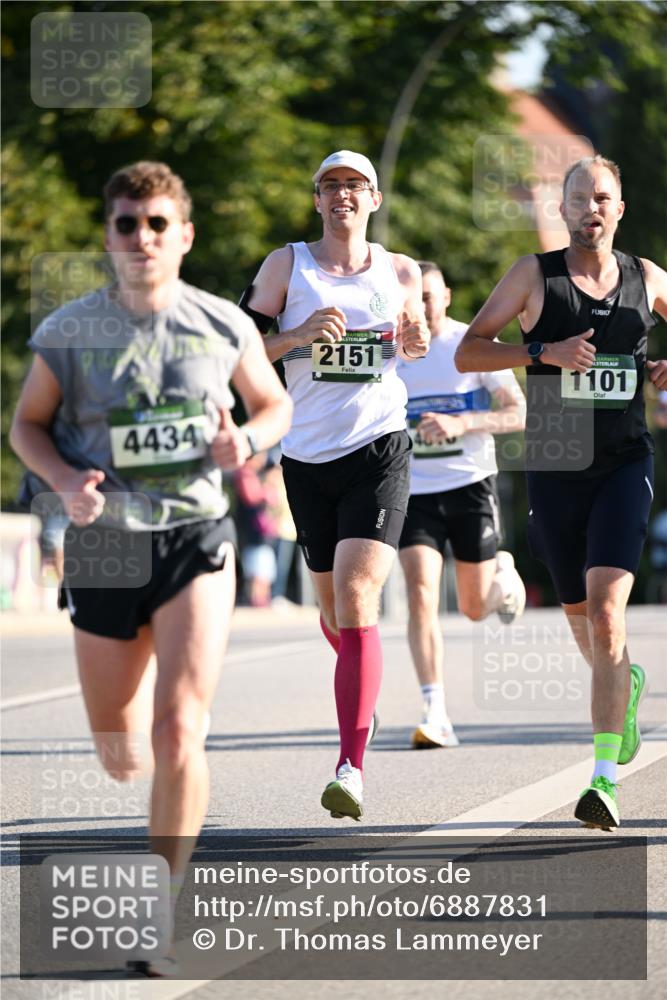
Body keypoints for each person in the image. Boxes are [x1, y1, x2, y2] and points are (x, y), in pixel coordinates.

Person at [9, 161, 292, 974]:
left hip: (192, 535)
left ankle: (161, 914)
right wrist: (64, 481)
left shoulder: (220, 326)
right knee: (119, 747)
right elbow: (28, 426)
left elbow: (273, 404)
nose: (142, 238)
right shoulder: (68, 330)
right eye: (128, 224)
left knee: (179, 729)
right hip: (103, 542)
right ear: (109, 236)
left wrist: (246, 440)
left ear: (184, 235)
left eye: (158, 223)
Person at [455, 154, 667, 830]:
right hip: (553, 458)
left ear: (618, 207)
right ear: (562, 208)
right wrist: (539, 355)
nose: (589, 210)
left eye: (601, 197)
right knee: (581, 617)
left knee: (607, 613)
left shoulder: (647, 279)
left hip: (621, 462)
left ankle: (602, 778)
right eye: (577, 198)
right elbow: (468, 350)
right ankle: (621, 686)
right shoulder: (531, 275)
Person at [239, 150, 430, 820]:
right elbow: (240, 349)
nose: (342, 194)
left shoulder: (399, 270)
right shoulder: (285, 266)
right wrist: (293, 335)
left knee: (356, 594)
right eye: (330, 186)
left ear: (374, 199)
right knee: (334, 613)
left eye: (355, 185)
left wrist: (413, 339)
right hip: (305, 455)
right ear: (315, 200)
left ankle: (350, 764)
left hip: (379, 445)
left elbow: (412, 342)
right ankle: (363, 687)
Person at [397, 262, 526, 749]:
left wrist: (461, 423)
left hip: (470, 486)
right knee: (420, 592)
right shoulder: (392, 351)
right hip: (413, 491)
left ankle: (502, 575)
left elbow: (518, 413)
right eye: (416, 298)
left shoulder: (467, 346)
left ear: (446, 297)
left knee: (473, 608)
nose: (424, 306)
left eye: (431, 297)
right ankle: (436, 712)